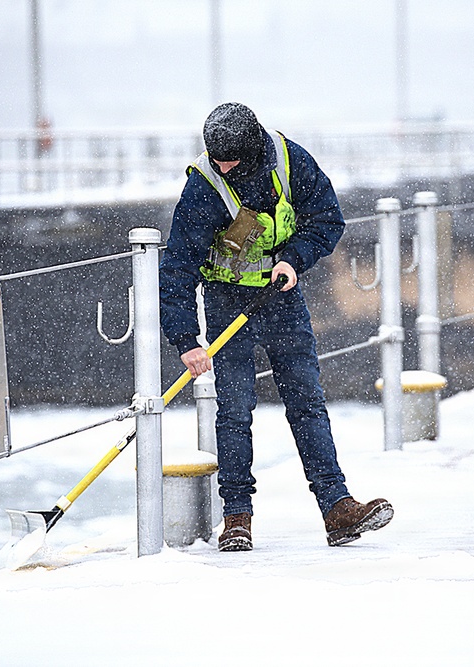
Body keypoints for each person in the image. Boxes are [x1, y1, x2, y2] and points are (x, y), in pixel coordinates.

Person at [159, 102, 393, 551]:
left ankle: (337, 507)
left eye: (229, 160)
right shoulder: (205, 186)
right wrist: (187, 340)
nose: (221, 166)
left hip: (280, 296)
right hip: (228, 303)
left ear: (251, 149)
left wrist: (293, 259)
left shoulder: (290, 162)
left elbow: (327, 220)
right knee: (234, 411)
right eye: (215, 157)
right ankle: (236, 518)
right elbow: (178, 268)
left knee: (307, 401)